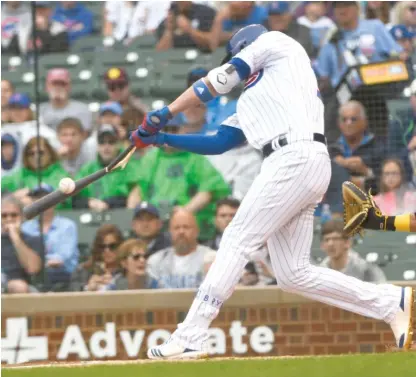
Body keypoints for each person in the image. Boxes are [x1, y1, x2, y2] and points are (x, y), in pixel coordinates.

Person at [129, 24, 413, 358]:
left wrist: (165, 113)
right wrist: (163, 138)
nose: (234, 61)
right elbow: (220, 141)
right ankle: (390, 302)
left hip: (293, 156)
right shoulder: (257, 98)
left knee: (236, 238)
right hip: (298, 161)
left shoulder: (276, 43)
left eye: (235, 54)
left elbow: (217, 81)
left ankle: (192, 334)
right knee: (293, 273)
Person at [132, 117, 231, 240]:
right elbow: (137, 190)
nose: (169, 134)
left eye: (174, 129)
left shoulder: (195, 156)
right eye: (165, 130)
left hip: (189, 225)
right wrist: (134, 216)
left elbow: (207, 191)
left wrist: (183, 213)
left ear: (183, 130)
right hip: (155, 224)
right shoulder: (150, 158)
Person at [22, 184, 79, 291]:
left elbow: (61, 258)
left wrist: (37, 262)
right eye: (37, 197)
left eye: (46, 197)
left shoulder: (67, 226)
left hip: (63, 277)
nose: (42, 201)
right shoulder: (26, 227)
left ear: (55, 200)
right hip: (33, 276)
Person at [73, 124, 140, 211]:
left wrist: (109, 203)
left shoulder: (130, 167)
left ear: (118, 144)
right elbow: (73, 198)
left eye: (111, 142)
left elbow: (136, 195)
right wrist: (89, 202)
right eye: (102, 142)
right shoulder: (87, 169)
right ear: (97, 145)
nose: (106, 146)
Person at [146, 209, 216, 289]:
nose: (181, 232)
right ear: (170, 232)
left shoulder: (211, 258)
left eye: (186, 227)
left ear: (197, 231)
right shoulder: (156, 261)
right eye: (176, 228)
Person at [329, 101, 384, 192]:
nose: (348, 123)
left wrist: (366, 171)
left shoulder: (378, 147)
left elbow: (388, 182)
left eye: (353, 119)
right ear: (339, 123)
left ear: (364, 122)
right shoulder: (332, 150)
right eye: (344, 119)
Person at [1, 136, 70, 208]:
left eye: (41, 152)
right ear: (25, 156)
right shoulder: (19, 175)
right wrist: (13, 198)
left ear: (50, 153)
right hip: (25, 218)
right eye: (31, 153)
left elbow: (65, 201)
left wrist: (33, 200)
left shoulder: (61, 175)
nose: (36, 156)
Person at [320, 220, 386, 283]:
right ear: (322, 245)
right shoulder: (320, 272)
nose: (330, 244)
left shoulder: (366, 271)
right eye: (326, 240)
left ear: (347, 242)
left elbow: (381, 291)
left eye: (335, 239)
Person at [1, 195, 43, 294]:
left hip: (22, 286)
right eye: (4, 215)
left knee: (19, 287)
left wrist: (15, 237)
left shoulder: (33, 239)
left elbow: (33, 268)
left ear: (22, 217)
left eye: (14, 215)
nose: (9, 219)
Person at [69, 224, 124, 292]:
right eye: (102, 246)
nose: (107, 250)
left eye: (112, 246)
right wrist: (87, 288)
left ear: (121, 246)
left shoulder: (128, 270)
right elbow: (72, 292)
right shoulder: (82, 271)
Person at [40, 68, 92, 133]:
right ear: (47, 86)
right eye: (54, 84)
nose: (58, 87)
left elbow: (85, 135)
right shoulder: (39, 111)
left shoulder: (82, 109)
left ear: (69, 87)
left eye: (62, 84)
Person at [104, 1, 169, 43]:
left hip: (139, 42)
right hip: (117, 41)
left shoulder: (150, 4)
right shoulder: (114, 2)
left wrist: (136, 40)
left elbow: (150, 30)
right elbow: (108, 26)